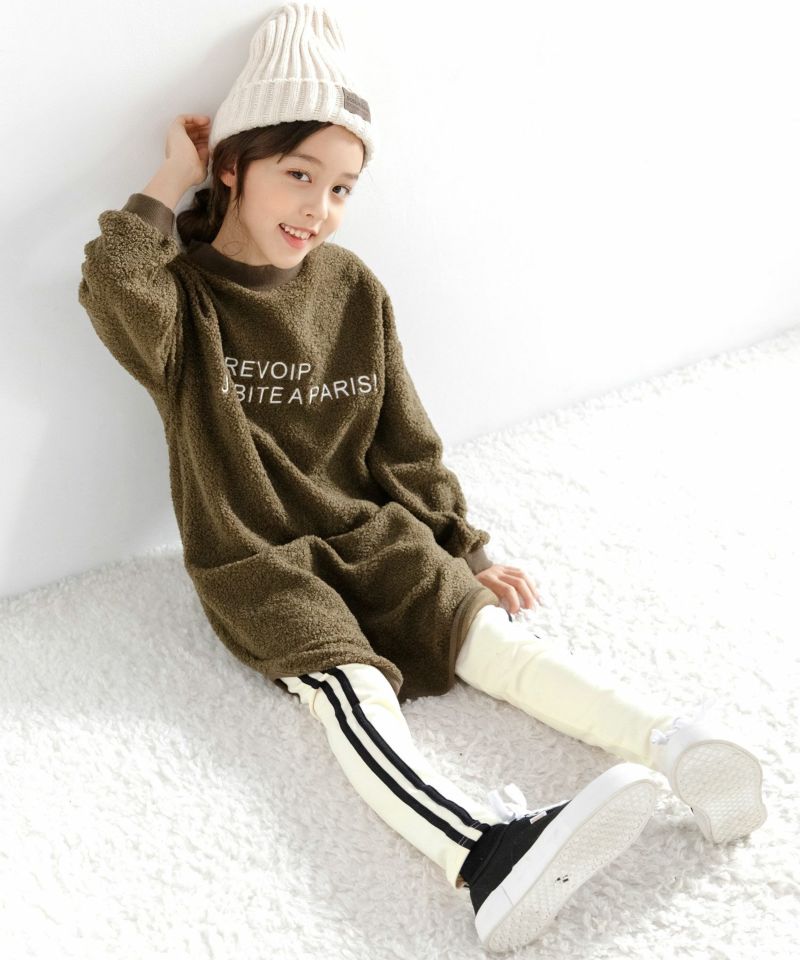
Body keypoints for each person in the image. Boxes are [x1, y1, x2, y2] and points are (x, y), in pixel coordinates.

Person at [77, 2, 767, 952]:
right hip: (258, 557)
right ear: (233, 168)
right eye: (297, 174)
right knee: (351, 693)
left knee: (490, 638)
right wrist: (168, 179)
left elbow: (403, 440)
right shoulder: (181, 303)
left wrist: (462, 547)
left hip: (375, 530)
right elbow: (112, 284)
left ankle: (676, 744)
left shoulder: (350, 286)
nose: (318, 208)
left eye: (342, 187)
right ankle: (482, 855)